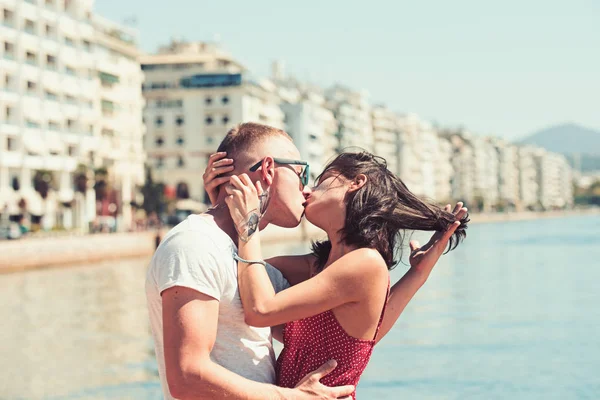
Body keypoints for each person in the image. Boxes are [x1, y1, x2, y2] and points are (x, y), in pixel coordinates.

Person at [204, 147, 469, 398]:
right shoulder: (317, 267)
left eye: (321, 181)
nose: (307, 190)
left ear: (356, 183)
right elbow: (239, 270)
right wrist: (223, 208)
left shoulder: (365, 262)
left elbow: (260, 310)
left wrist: (248, 223)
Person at [146, 123, 356, 400]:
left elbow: (343, 320)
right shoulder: (194, 244)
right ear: (269, 170)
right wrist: (292, 398)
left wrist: (418, 270)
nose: (306, 189)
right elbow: (187, 375)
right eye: (301, 173)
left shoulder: (247, 262)